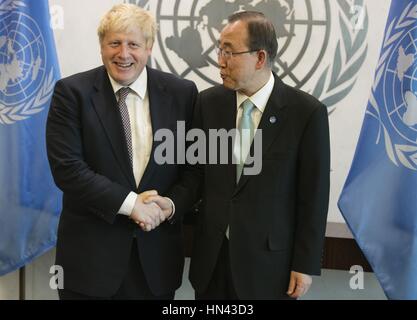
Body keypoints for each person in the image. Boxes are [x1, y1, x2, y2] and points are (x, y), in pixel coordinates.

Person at [149, 11, 330, 300]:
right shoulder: (208, 103)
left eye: (229, 52)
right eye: (220, 49)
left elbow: (314, 196)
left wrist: (305, 264)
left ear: (260, 58)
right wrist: (170, 204)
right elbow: (196, 175)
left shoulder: (306, 113)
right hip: (212, 262)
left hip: (271, 268)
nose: (219, 59)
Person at [46, 4, 197, 300]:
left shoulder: (182, 93)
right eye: (114, 43)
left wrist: (170, 204)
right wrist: (132, 205)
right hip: (89, 267)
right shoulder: (71, 93)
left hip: (156, 265)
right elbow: (68, 169)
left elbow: (194, 169)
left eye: (133, 44)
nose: (123, 54)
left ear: (149, 47)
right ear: (101, 46)